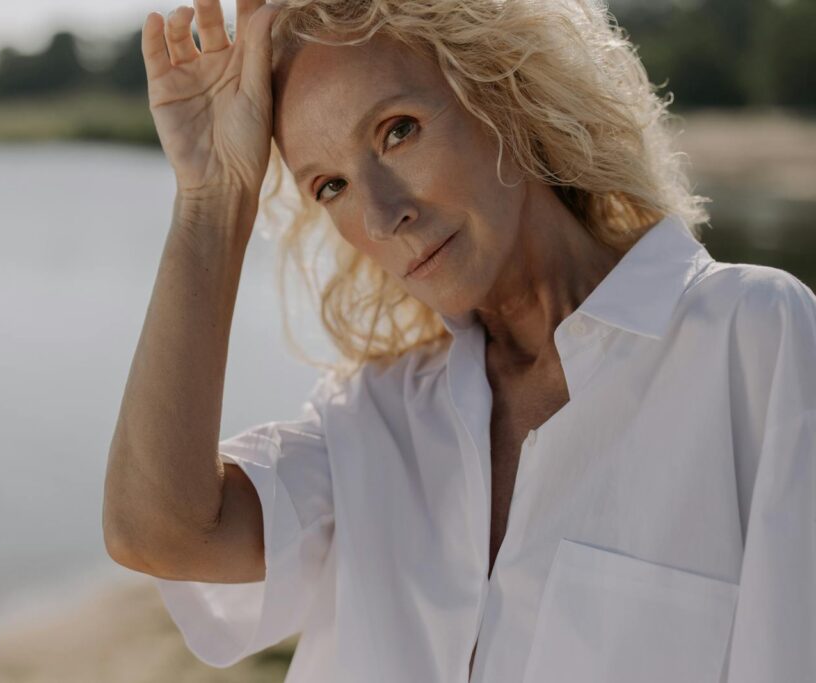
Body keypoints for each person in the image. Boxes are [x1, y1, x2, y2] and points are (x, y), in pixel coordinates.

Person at [101, 0, 816, 681]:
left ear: (500, 85)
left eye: (398, 130)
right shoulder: (372, 417)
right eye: (330, 186)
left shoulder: (753, 338)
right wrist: (214, 197)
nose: (382, 216)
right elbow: (157, 532)